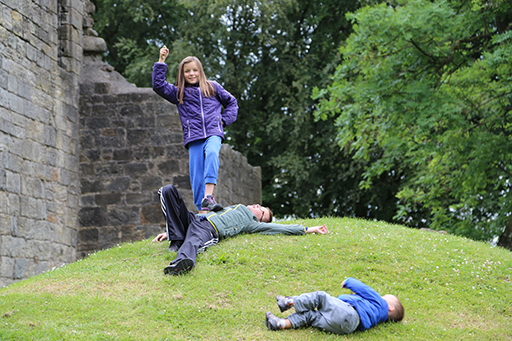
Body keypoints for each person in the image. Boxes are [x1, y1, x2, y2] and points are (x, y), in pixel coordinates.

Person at [152, 184, 328, 276]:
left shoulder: (251, 223)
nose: (258, 205)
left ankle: (180, 265)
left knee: (192, 242)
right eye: (261, 205)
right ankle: (175, 238)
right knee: (167, 191)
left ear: (260, 219)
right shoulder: (234, 207)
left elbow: (278, 227)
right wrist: (170, 231)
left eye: (263, 210)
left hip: (208, 229)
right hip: (194, 219)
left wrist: (307, 229)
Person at [152, 46, 238, 213]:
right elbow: (158, 86)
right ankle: (202, 212)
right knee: (197, 175)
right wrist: (161, 61)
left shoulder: (213, 87)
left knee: (212, 153)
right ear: (182, 74)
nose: (191, 74)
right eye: (187, 71)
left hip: (213, 133)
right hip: (194, 137)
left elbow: (232, 103)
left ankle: (209, 197)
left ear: (200, 71)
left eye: (195, 70)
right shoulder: (179, 92)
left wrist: (223, 122)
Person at [265, 277, 404, 335]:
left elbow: (365, 290)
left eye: (383, 297)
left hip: (349, 314)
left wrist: (349, 281)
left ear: (390, 307)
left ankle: (290, 302)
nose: (380, 297)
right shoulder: (377, 316)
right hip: (348, 327)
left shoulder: (380, 304)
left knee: (320, 297)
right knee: (311, 317)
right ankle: (280, 323)